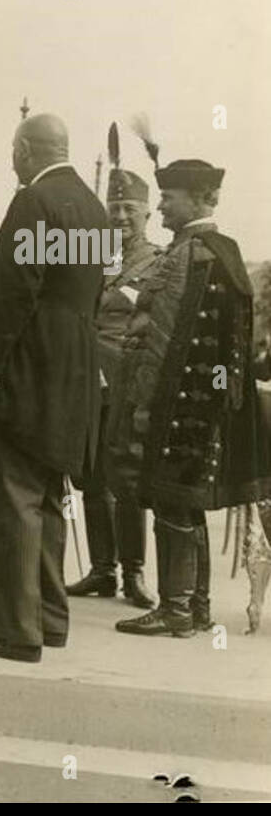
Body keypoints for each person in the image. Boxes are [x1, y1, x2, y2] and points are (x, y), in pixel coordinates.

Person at [0, 113, 107, 662]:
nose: (12, 161)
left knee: (15, 496)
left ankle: (13, 630)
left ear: (26, 150)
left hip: (30, 363)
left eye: (13, 150)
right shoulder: (94, 209)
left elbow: (12, 293)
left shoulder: (33, 201)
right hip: (75, 365)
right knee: (49, 495)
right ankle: (49, 619)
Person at [109, 159, 271, 637]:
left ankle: (175, 609)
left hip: (180, 404)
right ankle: (193, 608)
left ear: (199, 199)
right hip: (197, 404)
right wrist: (223, 404)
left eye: (168, 198)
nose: (160, 206)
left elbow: (190, 341)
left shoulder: (196, 252)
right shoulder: (216, 250)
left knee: (170, 499)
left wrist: (157, 403)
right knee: (184, 502)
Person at [65, 167, 160, 608]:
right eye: (114, 208)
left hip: (125, 384)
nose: (120, 217)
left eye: (129, 209)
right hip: (85, 381)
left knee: (124, 481)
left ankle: (133, 574)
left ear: (146, 214)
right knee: (89, 478)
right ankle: (102, 571)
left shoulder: (159, 262)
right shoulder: (89, 256)